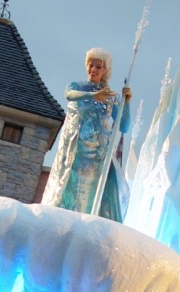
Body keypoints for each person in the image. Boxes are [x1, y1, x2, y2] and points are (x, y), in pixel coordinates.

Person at [42, 47, 132, 222]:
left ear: (105, 70)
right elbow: (69, 95)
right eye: (91, 65)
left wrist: (126, 103)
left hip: (95, 156)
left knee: (87, 197)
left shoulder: (110, 97)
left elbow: (124, 126)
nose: (93, 70)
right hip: (74, 151)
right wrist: (93, 95)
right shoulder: (77, 86)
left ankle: (82, 227)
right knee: (67, 189)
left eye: (98, 67)